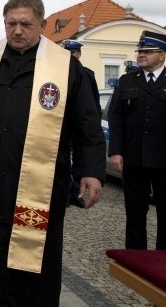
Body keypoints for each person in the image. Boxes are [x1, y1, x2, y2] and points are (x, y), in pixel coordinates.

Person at [0, 0, 105, 306]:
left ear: (42, 25)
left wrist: (91, 172)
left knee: (35, 267)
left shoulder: (66, 67)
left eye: (25, 24)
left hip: (42, 187)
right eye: (11, 23)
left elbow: (88, 125)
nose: (18, 30)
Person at [108, 30, 166, 251]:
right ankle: (135, 255)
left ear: (162, 55)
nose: (141, 55)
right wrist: (116, 151)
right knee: (135, 211)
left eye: (147, 52)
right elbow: (116, 118)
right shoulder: (127, 81)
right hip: (134, 157)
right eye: (140, 51)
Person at [61, 39, 102, 208]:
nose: (70, 56)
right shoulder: (57, 71)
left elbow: (92, 103)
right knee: (63, 160)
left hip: (78, 125)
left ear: (79, 54)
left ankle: (76, 191)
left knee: (79, 158)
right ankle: (65, 190)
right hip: (62, 125)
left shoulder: (87, 74)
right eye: (67, 53)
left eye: (73, 53)